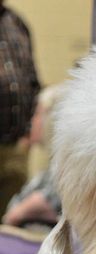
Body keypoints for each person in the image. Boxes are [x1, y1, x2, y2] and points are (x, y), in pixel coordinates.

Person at [0, 0, 40, 218]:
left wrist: (27, 134)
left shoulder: (16, 23)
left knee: (11, 217)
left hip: (16, 147)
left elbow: (33, 81)